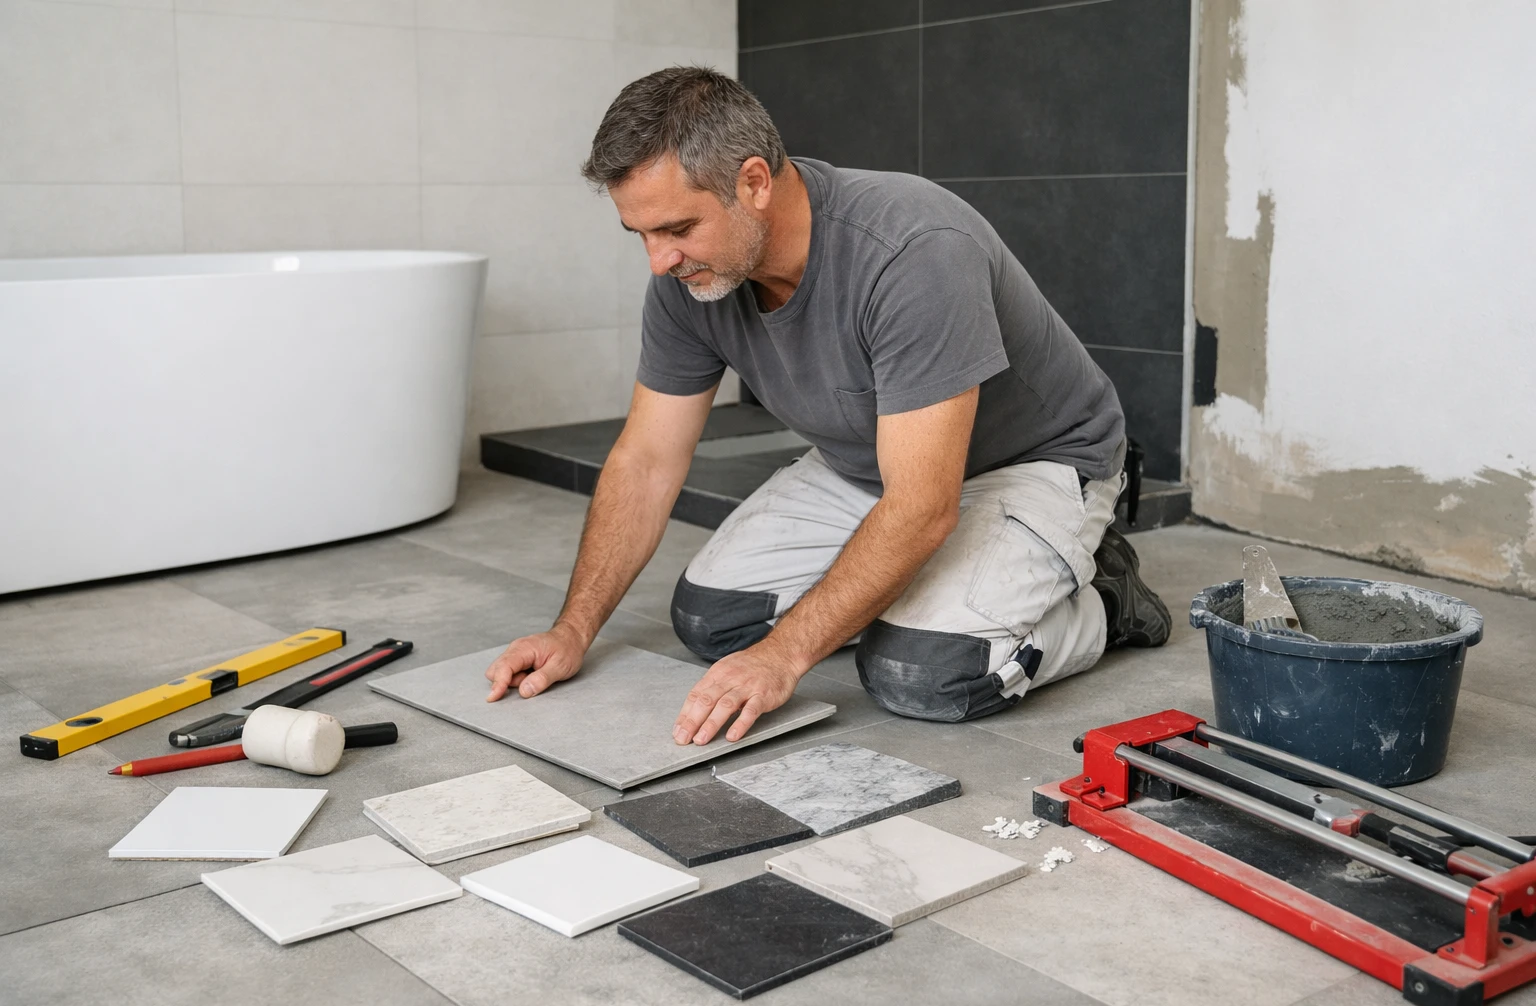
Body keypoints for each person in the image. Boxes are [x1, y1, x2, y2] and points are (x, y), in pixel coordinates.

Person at [485, 66, 1170, 745]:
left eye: (676, 228)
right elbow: (645, 460)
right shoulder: (685, 281)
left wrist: (784, 655)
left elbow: (923, 506)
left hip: (1034, 462)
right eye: (640, 234)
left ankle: (1109, 597)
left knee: (923, 673)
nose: (658, 261)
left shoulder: (913, 251)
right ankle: (929, 593)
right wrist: (572, 629)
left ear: (753, 182)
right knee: (713, 622)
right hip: (872, 461)